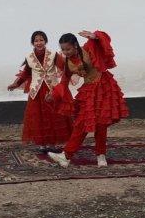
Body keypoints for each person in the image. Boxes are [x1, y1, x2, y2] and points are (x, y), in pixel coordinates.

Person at [47, 30, 129, 168]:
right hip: (89, 90)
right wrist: (53, 95)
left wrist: (95, 37)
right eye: (63, 49)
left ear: (74, 45)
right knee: (82, 123)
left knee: (101, 123)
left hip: (104, 85)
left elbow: (104, 40)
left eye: (68, 48)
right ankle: (66, 156)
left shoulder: (88, 48)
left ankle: (100, 156)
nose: (65, 52)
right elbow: (63, 83)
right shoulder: (68, 63)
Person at [7, 31, 73, 152]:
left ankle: (52, 143)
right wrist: (15, 84)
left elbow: (64, 66)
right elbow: (26, 73)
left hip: (51, 89)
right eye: (36, 40)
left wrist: (74, 68)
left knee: (53, 115)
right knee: (38, 117)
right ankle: (42, 143)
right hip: (36, 91)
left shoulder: (53, 54)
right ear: (32, 43)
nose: (39, 43)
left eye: (41, 40)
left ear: (45, 41)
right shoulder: (29, 57)